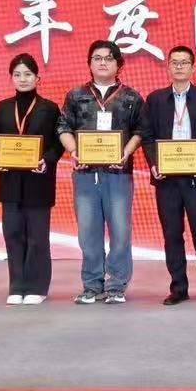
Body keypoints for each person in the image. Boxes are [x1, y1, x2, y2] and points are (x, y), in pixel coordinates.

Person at [58, 40, 145, 304]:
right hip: (85, 174)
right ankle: (92, 285)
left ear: (119, 64)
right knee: (88, 233)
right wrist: (74, 151)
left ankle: (116, 285)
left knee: (120, 232)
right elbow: (63, 127)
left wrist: (126, 152)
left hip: (118, 174)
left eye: (108, 58)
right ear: (89, 63)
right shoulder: (76, 95)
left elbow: (141, 130)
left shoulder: (131, 97)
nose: (103, 62)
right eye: (97, 58)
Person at [140, 45, 196, 305]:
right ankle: (178, 287)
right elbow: (147, 136)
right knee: (172, 234)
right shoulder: (155, 99)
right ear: (168, 67)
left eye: (184, 62)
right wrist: (154, 163)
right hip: (166, 179)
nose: (179, 66)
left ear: (193, 67)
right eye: (174, 62)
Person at [0, 53, 63, 304]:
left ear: (37, 78)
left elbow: (57, 143)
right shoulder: (3, 107)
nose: (23, 79)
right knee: (12, 233)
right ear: (11, 78)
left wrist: (47, 160)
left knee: (37, 237)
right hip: (9, 181)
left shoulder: (49, 108)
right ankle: (16, 286)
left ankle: (37, 287)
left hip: (38, 180)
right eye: (17, 74)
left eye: (28, 74)